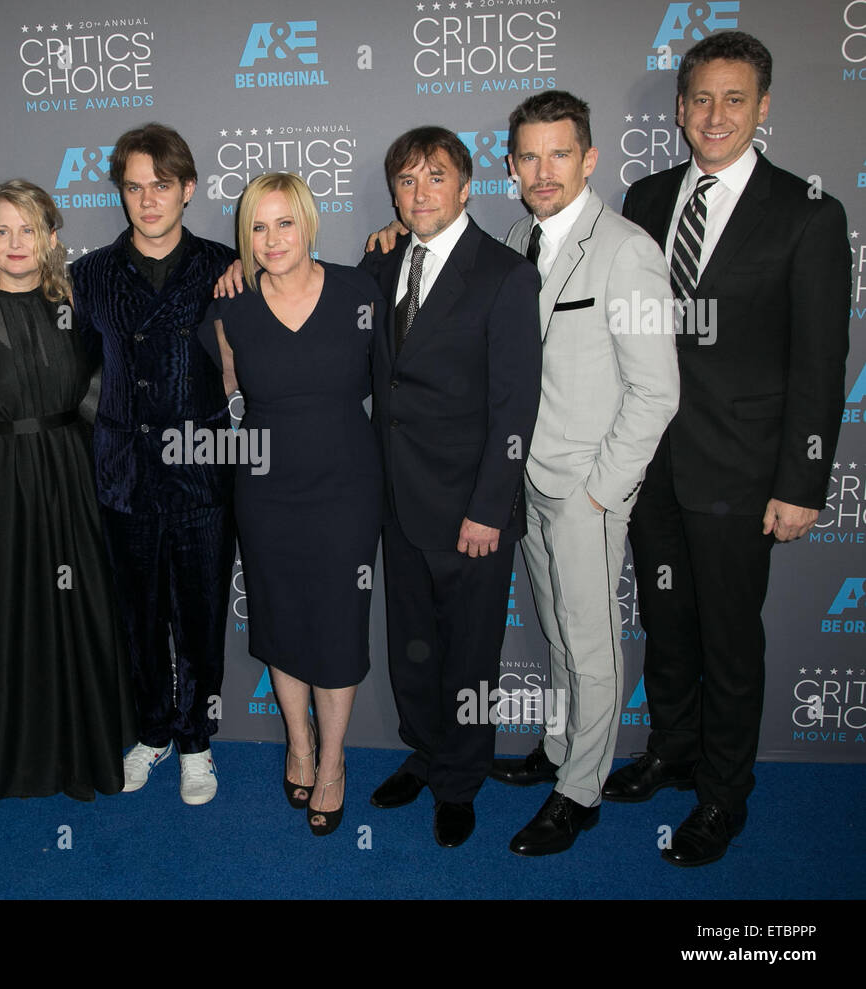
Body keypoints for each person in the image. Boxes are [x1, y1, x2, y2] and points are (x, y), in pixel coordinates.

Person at [609, 31, 850, 866]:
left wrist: (802, 481)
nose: (715, 116)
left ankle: (723, 793)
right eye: (701, 99)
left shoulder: (809, 213)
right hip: (651, 462)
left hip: (744, 473)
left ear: (764, 108)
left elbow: (822, 362)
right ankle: (671, 750)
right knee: (667, 621)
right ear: (679, 109)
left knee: (730, 640)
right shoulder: (643, 198)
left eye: (734, 99)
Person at [485, 92, 679, 856]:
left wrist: (603, 489)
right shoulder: (514, 236)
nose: (543, 170)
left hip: (587, 487)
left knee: (592, 642)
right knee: (560, 631)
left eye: (559, 153)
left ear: (589, 159)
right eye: (528, 156)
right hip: (526, 481)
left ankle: (581, 791)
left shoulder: (626, 249)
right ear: (511, 166)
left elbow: (656, 390)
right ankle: (562, 747)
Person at [359, 127, 542, 848]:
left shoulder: (503, 273)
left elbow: (515, 404)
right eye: (406, 180)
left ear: (467, 187)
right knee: (412, 644)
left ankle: (461, 778)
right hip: (397, 501)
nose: (420, 191)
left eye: (436, 176)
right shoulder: (382, 263)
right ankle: (426, 751)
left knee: (469, 653)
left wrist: (489, 508)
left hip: (471, 510)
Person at [0, 179, 133, 801]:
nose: (15, 243)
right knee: (9, 616)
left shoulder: (76, 302)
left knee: (75, 616)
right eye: (1, 230)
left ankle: (79, 753)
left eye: (28, 229)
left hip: (70, 477)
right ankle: (12, 758)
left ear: (51, 237)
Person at [199, 173, 383, 835]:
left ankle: (332, 760)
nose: (272, 238)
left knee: (337, 622)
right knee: (279, 621)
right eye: (257, 225)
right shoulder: (229, 308)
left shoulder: (361, 290)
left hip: (347, 484)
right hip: (266, 487)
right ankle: (297, 744)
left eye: (284, 222)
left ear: (308, 222)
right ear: (244, 236)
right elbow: (225, 391)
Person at [70, 124, 236, 805]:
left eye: (160, 186)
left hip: (202, 475)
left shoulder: (227, 267)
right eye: (134, 187)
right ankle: (151, 731)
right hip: (125, 475)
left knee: (200, 617)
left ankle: (196, 740)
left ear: (187, 189)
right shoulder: (87, 276)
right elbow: (70, 372)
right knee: (138, 620)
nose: (146, 200)